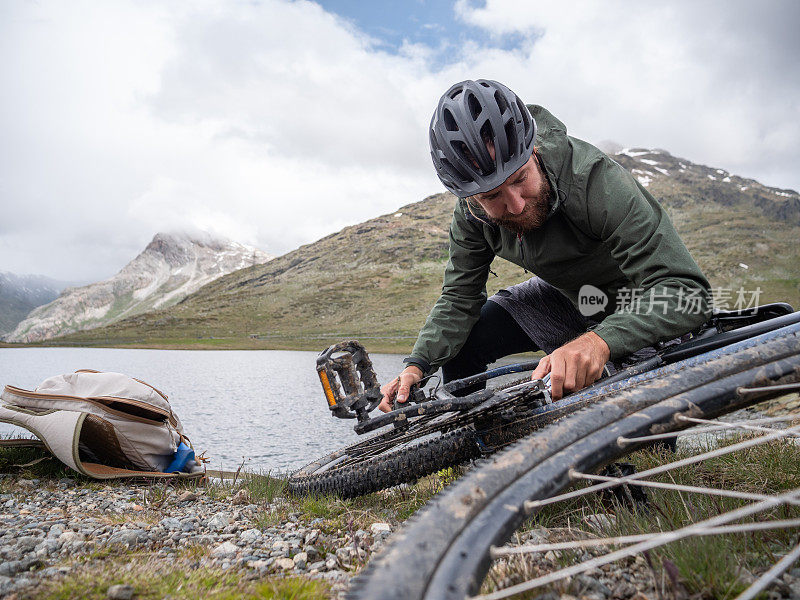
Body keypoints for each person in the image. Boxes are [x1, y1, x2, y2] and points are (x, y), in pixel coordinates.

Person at [379, 79, 711, 411]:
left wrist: (600, 341)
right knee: (465, 340)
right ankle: (485, 452)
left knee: (632, 435)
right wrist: (417, 365)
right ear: (470, 197)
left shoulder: (593, 179)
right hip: (565, 296)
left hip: (632, 301)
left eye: (520, 179)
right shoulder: (471, 213)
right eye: (492, 196)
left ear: (534, 150)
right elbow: (459, 299)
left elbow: (685, 291)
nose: (516, 205)